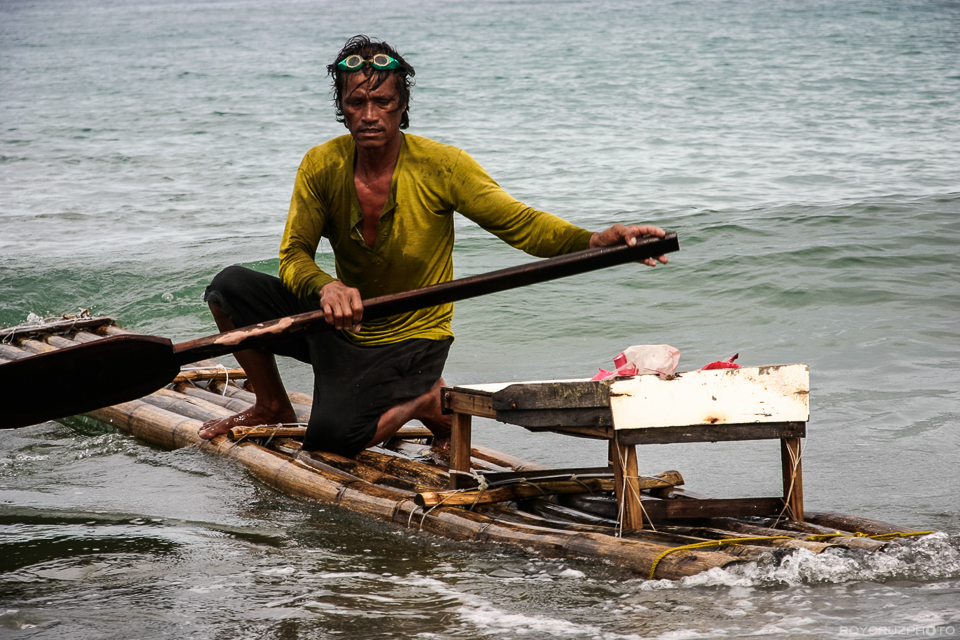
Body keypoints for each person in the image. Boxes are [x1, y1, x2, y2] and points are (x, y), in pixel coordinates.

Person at [197, 35, 667, 455]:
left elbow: (522, 225)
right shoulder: (321, 165)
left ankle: (425, 397)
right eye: (356, 103)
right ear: (342, 107)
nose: (369, 115)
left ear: (402, 105)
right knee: (229, 288)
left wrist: (596, 240)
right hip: (339, 324)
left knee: (333, 442)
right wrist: (326, 286)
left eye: (382, 102)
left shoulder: (443, 166)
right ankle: (272, 405)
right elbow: (293, 254)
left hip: (411, 338)